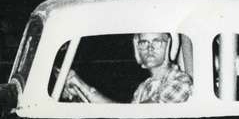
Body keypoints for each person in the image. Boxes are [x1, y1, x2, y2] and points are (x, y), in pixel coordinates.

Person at [64, 32, 193, 103]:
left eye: (157, 42)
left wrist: (84, 87)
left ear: (169, 46)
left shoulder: (180, 81)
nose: (150, 48)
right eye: (144, 42)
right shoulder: (143, 88)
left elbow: (132, 115)